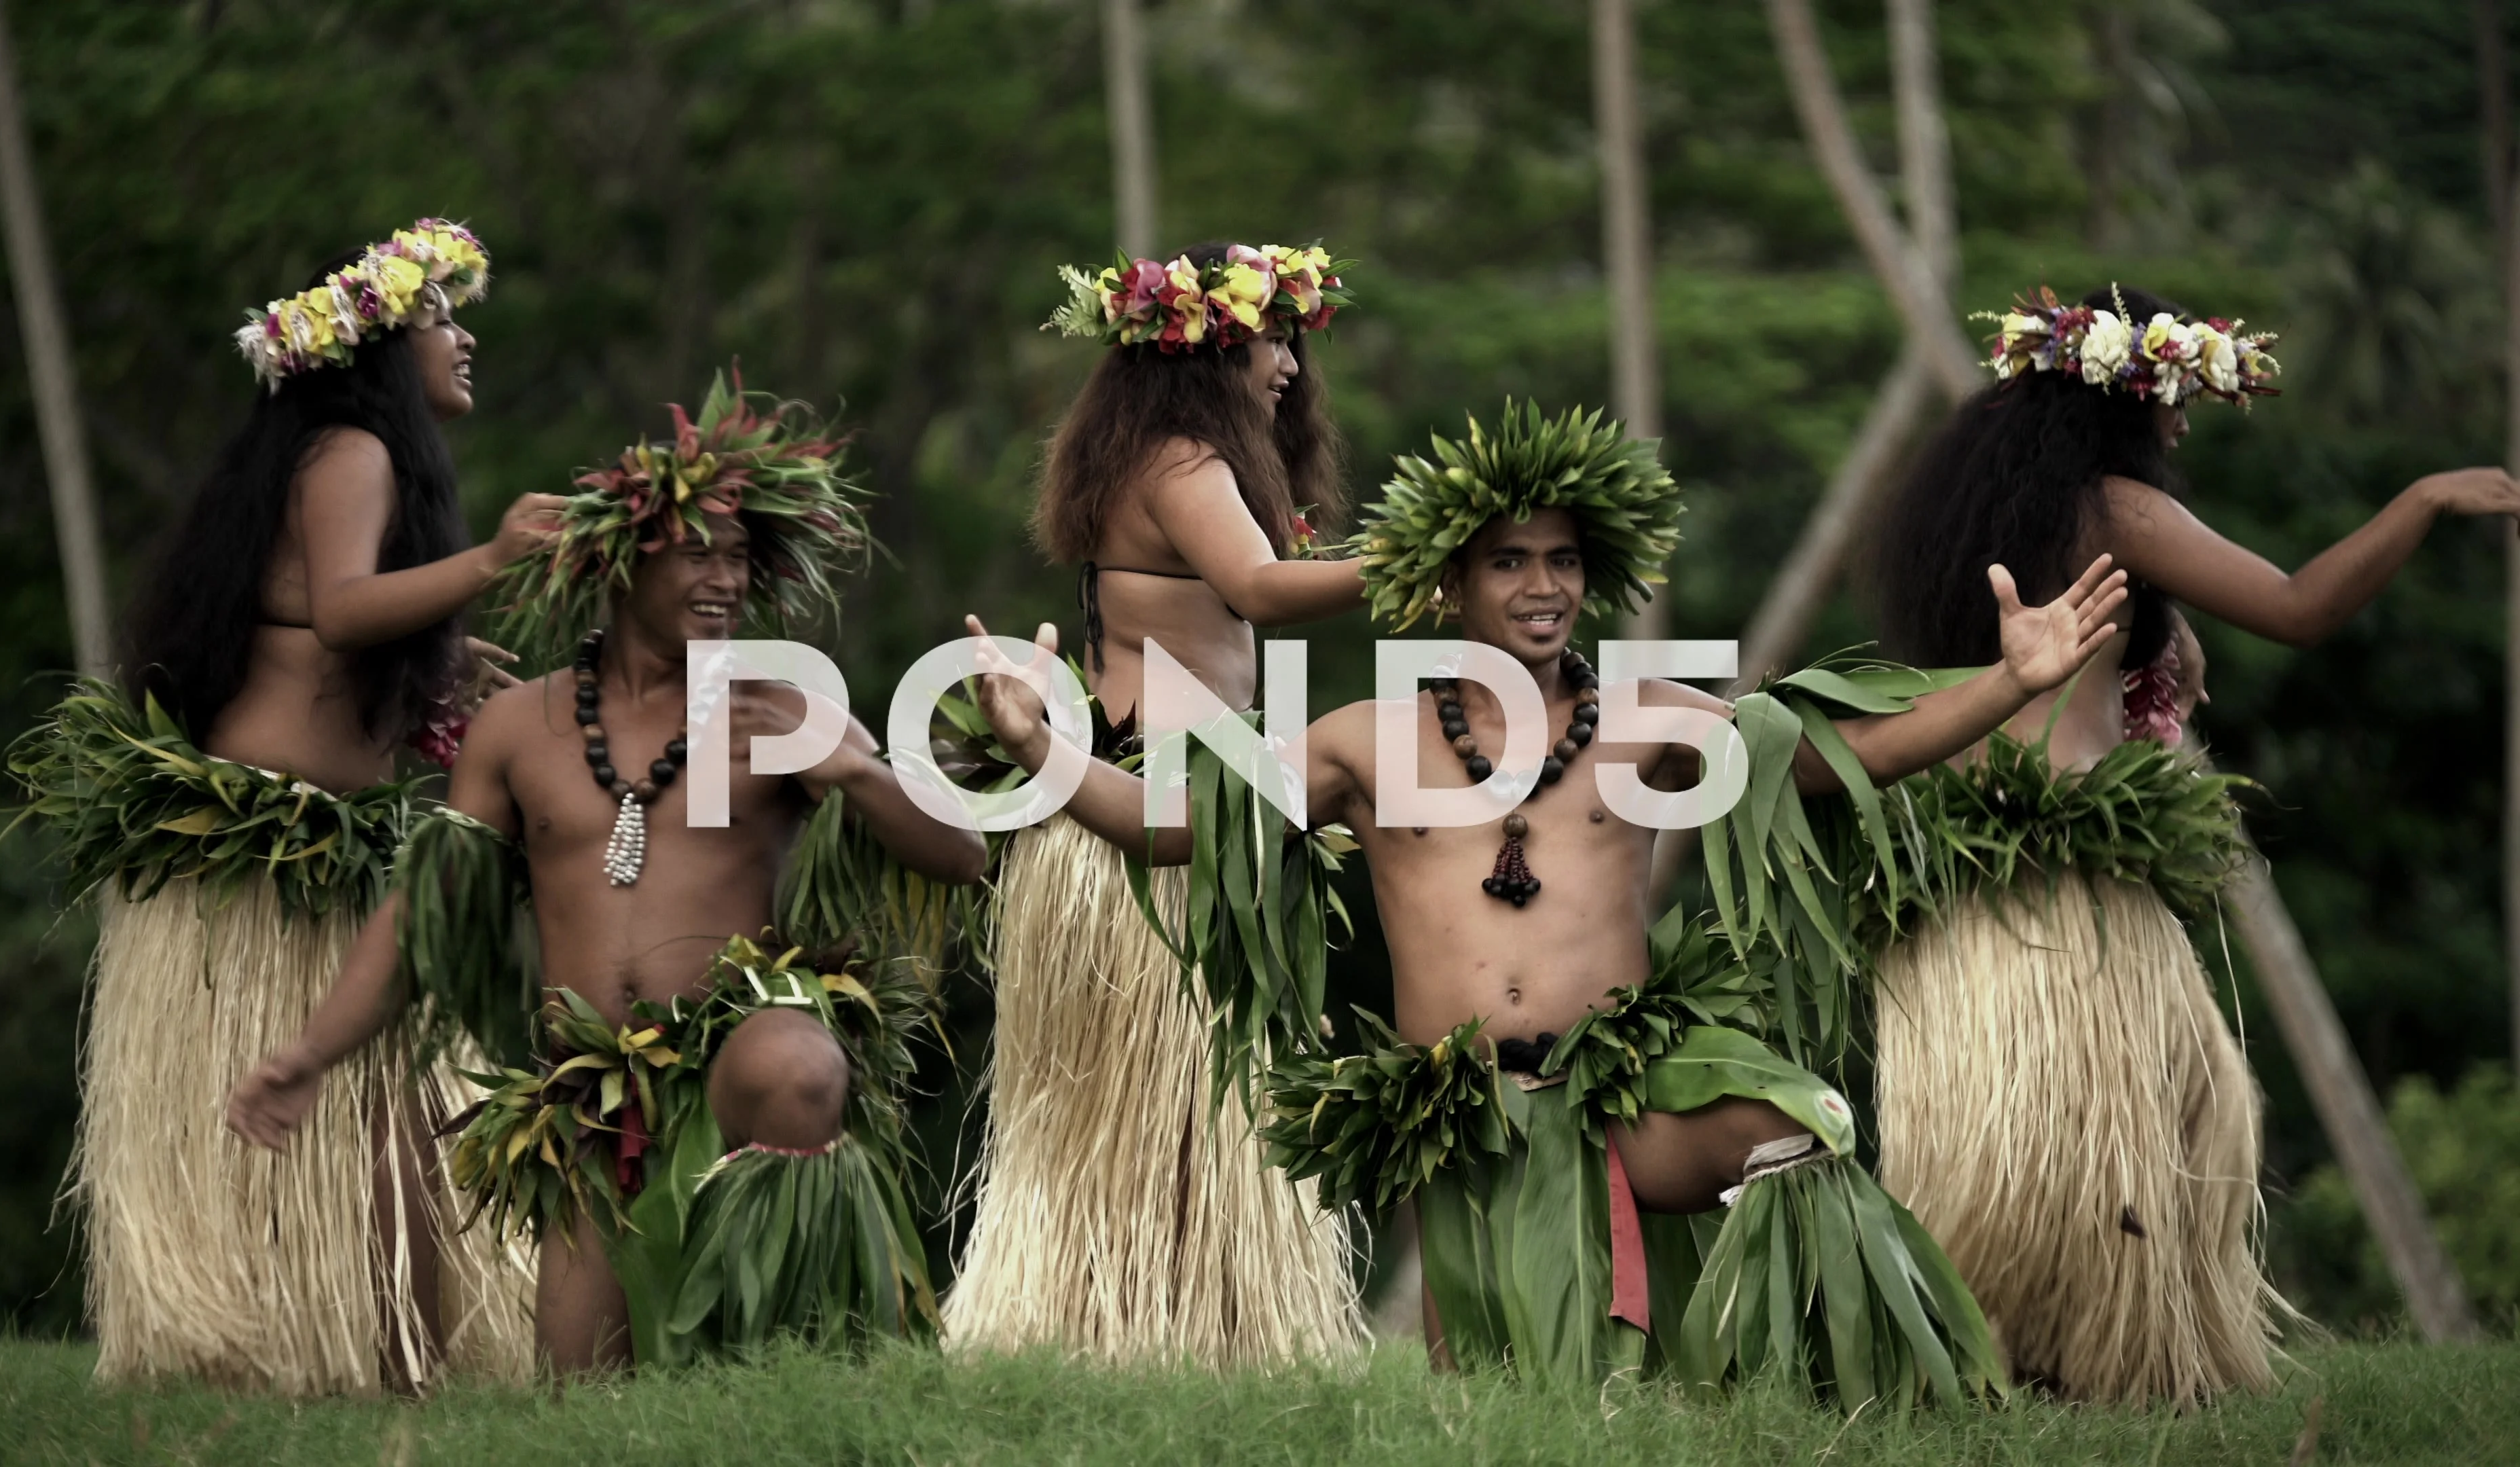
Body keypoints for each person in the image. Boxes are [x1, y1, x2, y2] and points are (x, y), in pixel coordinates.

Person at [964, 402, 2130, 1400]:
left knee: (1793, 1125)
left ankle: (1812, 1379)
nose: (1542, 586)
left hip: (1621, 1088)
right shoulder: (1362, 743)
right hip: (1464, 1119)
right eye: (1510, 562)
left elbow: (1841, 757)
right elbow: (1178, 832)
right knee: (1506, 1404)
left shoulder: (1640, 722)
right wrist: (1047, 754)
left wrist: (2010, 682)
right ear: (1453, 583)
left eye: (1563, 561)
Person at [225, 373, 987, 1375]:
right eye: (696, 555)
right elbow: (427, 913)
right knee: (579, 1396)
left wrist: (856, 774)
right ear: (623, 563)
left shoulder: (779, 707)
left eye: (740, 560)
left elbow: (961, 855)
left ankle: (792, 1357)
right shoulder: (520, 727)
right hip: (584, 1101)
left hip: (731, 1050)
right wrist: (310, 1054)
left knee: (798, 1067)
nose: (724, 580)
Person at [1869, 285, 2520, 1404]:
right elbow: (2301, 604)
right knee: (2146, 1120)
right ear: (2126, 402)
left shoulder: (1972, 517)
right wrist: (2423, 499)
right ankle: (2099, 1358)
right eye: (2177, 401)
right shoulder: (2115, 508)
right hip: (2074, 874)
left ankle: (1992, 1351)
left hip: (1964, 873)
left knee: (2012, 1141)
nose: (2183, 425)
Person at [10, 219, 562, 1394]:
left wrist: (443, 668)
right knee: (368, 1113)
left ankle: (341, 1342)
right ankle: (312, 1341)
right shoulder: (354, 450)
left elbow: (326, 631)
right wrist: (494, 559)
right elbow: (349, 607)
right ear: (379, 349)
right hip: (276, 855)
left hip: (309, 845)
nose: (466, 341)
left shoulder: (327, 458)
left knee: (385, 1110)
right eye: (444, 322)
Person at [941, 243, 1367, 1365]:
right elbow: (1262, 589)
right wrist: (1433, 559)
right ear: (1209, 351)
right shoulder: (1182, 460)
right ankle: (1125, 1330)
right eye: (1273, 340)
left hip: (1178, 821)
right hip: (1152, 831)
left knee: (1181, 1120)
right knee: (1163, 1115)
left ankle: (1169, 1325)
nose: (1289, 365)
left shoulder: (1158, 459)